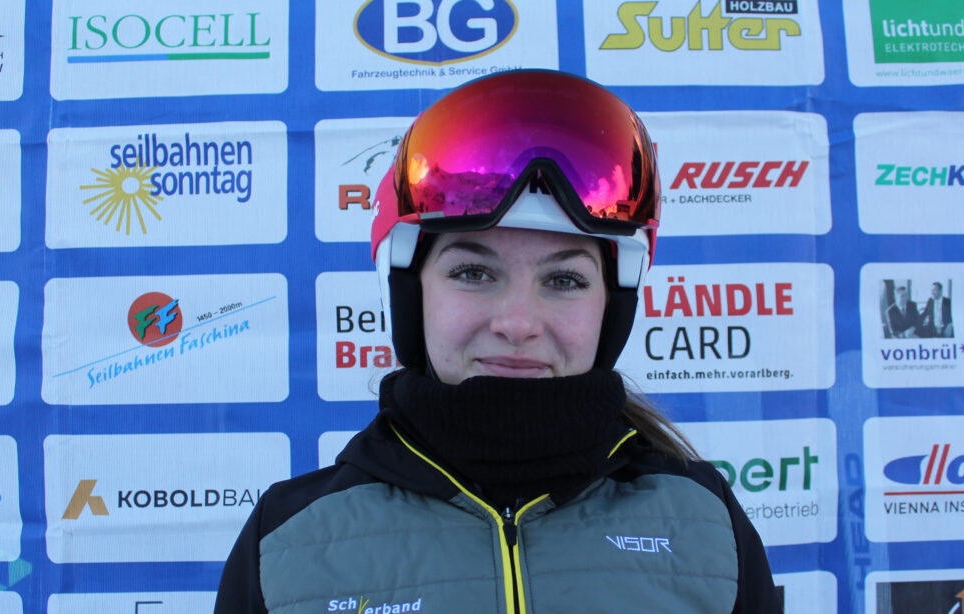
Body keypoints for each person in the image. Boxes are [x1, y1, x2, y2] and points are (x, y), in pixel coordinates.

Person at [215, 70, 778, 613]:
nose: (518, 323)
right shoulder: (287, 539)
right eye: (473, 273)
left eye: (564, 280)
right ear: (412, 293)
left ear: (612, 307)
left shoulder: (705, 522)